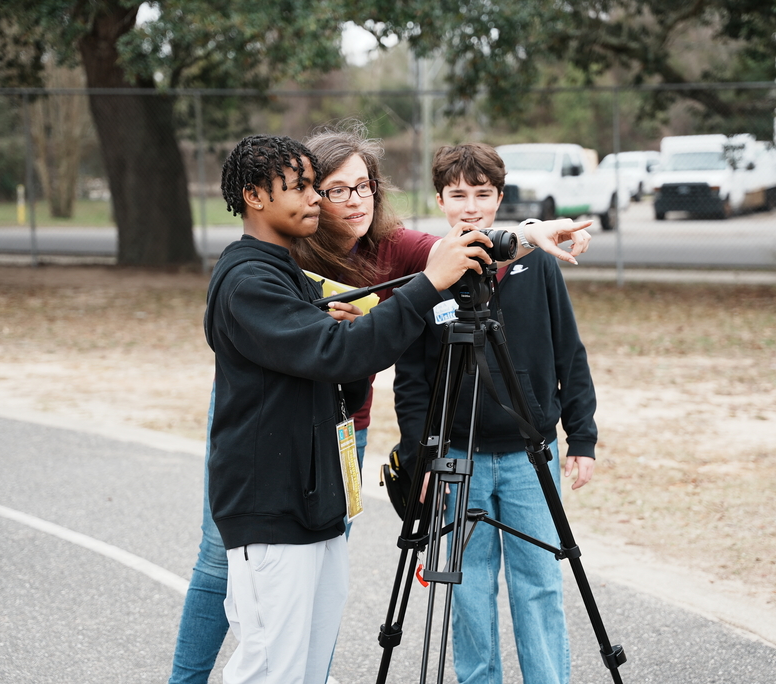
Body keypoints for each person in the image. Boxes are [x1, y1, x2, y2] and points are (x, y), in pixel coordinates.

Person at [168, 122, 593, 684]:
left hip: (339, 423)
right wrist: (348, 320)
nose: (349, 199)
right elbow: (334, 347)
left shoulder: (390, 247)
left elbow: (464, 244)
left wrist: (533, 231)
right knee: (227, 566)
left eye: (363, 185)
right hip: (269, 441)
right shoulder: (275, 259)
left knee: (316, 587)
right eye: (332, 188)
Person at [203, 134, 491, 684]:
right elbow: (337, 353)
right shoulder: (248, 280)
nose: (317, 199)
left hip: (316, 504)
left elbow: (341, 373)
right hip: (271, 508)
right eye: (301, 187)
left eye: (318, 186)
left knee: (310, 669)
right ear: (254, 196)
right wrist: (429, 285)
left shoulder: (286, 272)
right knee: (271, 669)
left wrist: (349, 343)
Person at [393, 142, 598, 684]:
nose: (470, 206)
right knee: (467, 586)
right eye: (457, 194)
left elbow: (568, 353)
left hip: (532, 455)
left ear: (499, 198)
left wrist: (581, 438)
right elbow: (412, 381)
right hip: (459, 456)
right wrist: (421, 459)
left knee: (539, 583)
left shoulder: (537, 267)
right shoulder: (431, 273)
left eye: (482, 195)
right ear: (439, 199)